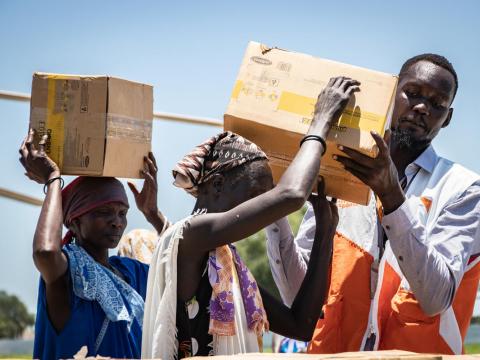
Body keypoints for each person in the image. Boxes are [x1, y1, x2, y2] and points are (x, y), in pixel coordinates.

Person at [265, 54, 480, 354]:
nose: (421, 108)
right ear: (392, 93)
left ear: (448, 117)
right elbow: (296, 294)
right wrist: (272, 206)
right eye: (413, 93)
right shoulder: (341, 172)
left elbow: (435, 298)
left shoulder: (463, 189)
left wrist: (391, 194)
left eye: (437, 103)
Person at [140, 77, 360, 359]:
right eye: (257, 195)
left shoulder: (224, 264)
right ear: (217, 185)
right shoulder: (188, 236)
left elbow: (302, 325)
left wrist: (325, 233)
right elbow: (291, 194)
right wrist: (321, 120)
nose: (264, 207)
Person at [19, 131, 158, 359]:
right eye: (104, 212)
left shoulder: (130, 273)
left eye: (122, 213)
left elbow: (180, 268)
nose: (117, 222)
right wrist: (53, 179)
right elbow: (45, 252)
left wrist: (153, 214)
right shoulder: (69, 275)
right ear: (74, 222)